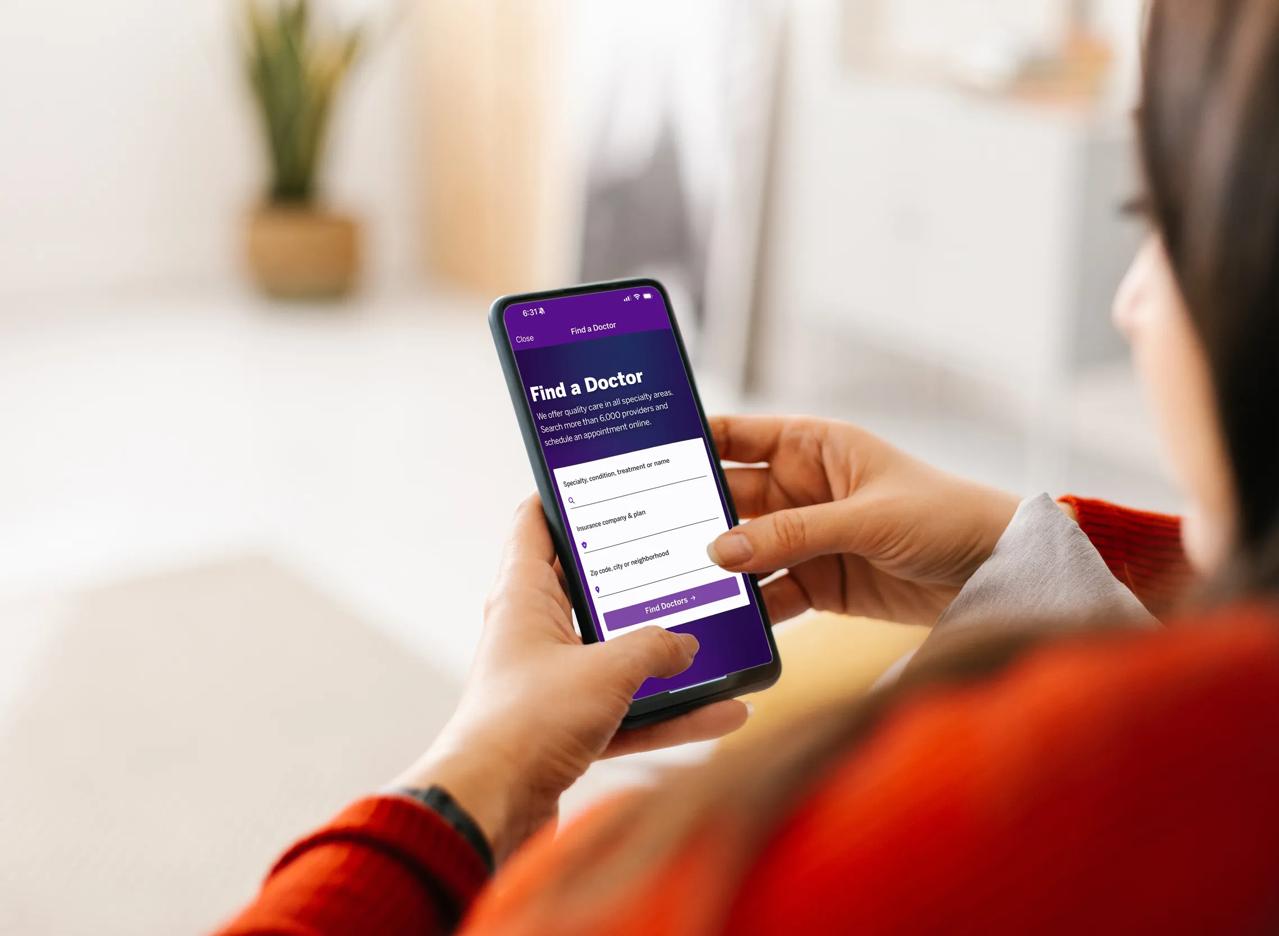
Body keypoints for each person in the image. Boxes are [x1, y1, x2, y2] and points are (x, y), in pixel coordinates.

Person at [218, 1, 1279, 932]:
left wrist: (478, 774)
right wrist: (1029, 555)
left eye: (1159, 222)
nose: (1128, 301)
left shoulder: (792, 865)